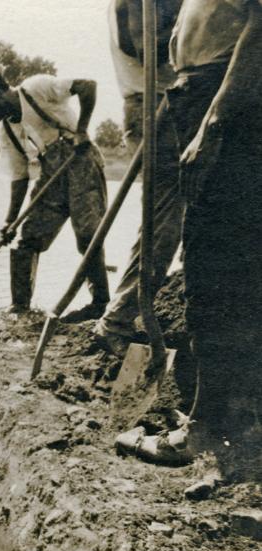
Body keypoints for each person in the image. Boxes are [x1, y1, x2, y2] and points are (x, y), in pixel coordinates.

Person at [117, 0, 262, 477]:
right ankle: (226, 418)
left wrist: (213, 121)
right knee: (211, 260)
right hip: (200, 93)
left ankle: (209, 427)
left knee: (214, 265)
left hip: (224, 98)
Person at [0, 66, 109, 318]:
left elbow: (88, 85)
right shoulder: (6, 130)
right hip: (51, 174)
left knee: (88, 235)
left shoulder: (36, 87)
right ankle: (20, 308)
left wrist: (83, 130)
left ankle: (99, 305)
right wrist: (10, 220)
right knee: (28, 238)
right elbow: (19, 177)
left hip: (80, 161)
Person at [93, 0, 184, 355]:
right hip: (155, 107)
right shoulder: (133, 4)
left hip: (169, 104)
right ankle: (117, 317)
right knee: (163, 222)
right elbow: (149, 48)